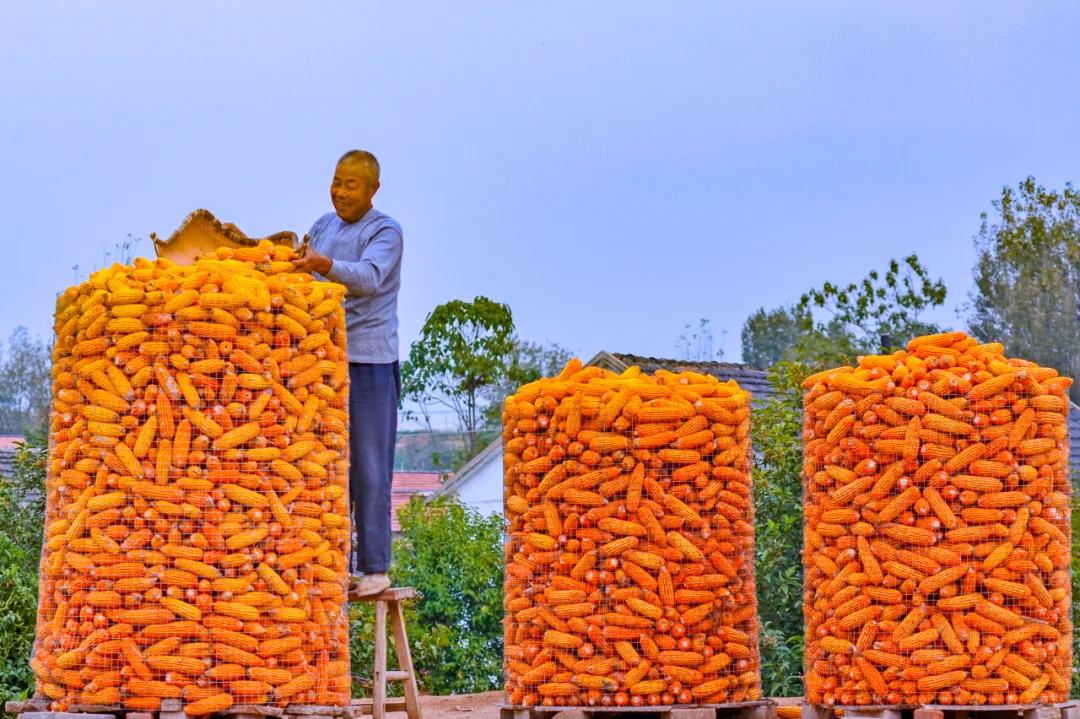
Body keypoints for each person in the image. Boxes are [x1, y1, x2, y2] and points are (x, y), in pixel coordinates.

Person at [229, 150, 403, 597]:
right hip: (320, 360)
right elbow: (304, 266)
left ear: (373, 190)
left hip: (368, 361)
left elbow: (368, 278)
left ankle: (376, 567)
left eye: (351, 185)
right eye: (337, 182)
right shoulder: (324, 225)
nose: (341, 192)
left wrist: (325, 267)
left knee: (369, 465)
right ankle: (331, 562)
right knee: (325, 466)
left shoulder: (385, 231)